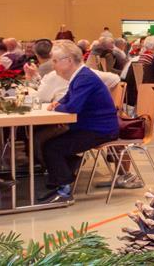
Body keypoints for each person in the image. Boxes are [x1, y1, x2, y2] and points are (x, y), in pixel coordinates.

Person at [40, 42, 119, 204]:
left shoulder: (84, 78)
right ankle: (64, 176)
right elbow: (67, 99)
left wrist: (58, 106)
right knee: (49, 142)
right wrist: (59, 104)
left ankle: (64, 190)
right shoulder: (80, 76)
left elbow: (73, 106)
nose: (52, 65)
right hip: (92, 127)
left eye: (55, 61)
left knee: (52, 147)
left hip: (100, 130)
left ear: (68, 60)